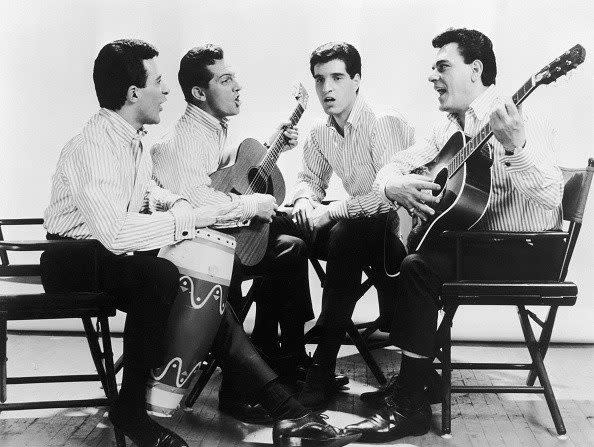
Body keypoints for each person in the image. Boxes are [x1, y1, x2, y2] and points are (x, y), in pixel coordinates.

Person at [41, 38, 358, 447]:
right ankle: (135, 409)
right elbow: (116, 232)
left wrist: (172, 202)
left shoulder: (130, 139)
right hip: (71, 257)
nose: (166, 90)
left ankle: (285, 408)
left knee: (194, 278)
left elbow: (146, 194)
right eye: (157, 81)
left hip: (109, 252)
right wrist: (191, 217)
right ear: (134, 92)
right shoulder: (94, 144)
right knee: (162, 274)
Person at [344, 28, 564, 442]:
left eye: (442, 66)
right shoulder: (449, 127)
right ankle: (420, 375)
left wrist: (515, 148)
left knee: (417, 267)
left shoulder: (518, 115)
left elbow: (552, 194)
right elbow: (392, 166)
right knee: (374, 235)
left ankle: (411, 406)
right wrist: (395, 187)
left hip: (522, 252)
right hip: (475, 247)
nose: (432, 76)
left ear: (476, 71)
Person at [151, 44, 322, 422]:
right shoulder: (185, 139)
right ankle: (268, 369)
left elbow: (222, 174)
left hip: (222, 241)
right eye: (225, 80)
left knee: (293, 236)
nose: (238, 87)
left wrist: (270, 145)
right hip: (197, 257)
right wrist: (252, 205)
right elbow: (199, 205)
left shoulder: (211, 130)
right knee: (291, 245)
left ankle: (282, 359)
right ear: (199, 93)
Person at [290, 42, 414, 408]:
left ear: (357, 81)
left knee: (346, 233)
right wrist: (304, 200)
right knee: (285, 230)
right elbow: (309, 176)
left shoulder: (382, 122)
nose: (326, 89)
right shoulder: (320, 130)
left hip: (396, 236)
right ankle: (290, 354)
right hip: (356, 228)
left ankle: (323, 363)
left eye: (337, 78)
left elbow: (389, 197)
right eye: (319, 80)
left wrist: (333, 211)